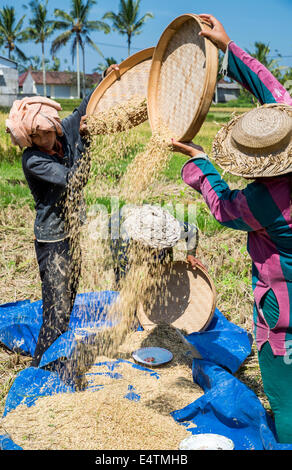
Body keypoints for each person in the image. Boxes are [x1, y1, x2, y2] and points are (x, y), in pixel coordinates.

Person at [172, 14, 292, 444]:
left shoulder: (265, 201)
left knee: (286, 393)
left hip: (285, 311)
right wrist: (229, 48)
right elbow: (276, 94)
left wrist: (201, 162)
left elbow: (223, 207)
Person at [6, 64, 119, 368]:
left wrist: (106, 79)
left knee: (68, 303)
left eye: (42, 133)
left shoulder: (64, 129)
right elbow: (74, 180)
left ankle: (60, 358)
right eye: (33, 136)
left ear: (52, 124)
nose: (40, 140)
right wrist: (87, 141)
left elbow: (86, 105)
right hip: (52, 241)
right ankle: (42, 366)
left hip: (72, 234)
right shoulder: (33, 160)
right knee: (55, 311)